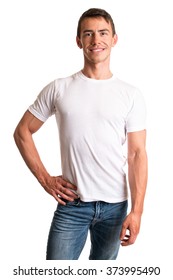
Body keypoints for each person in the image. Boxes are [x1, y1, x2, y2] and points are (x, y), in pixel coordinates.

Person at [13, 8, 148, 260]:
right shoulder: (59, 88)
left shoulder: (130, 94)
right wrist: (46, 180)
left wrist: (137, 211)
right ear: (79, 41)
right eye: (88, 34)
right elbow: (22, 132)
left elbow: (137, 154)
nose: (96, 40)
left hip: (115, 207)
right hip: (72, 205)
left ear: (114, 39)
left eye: (103, 33)